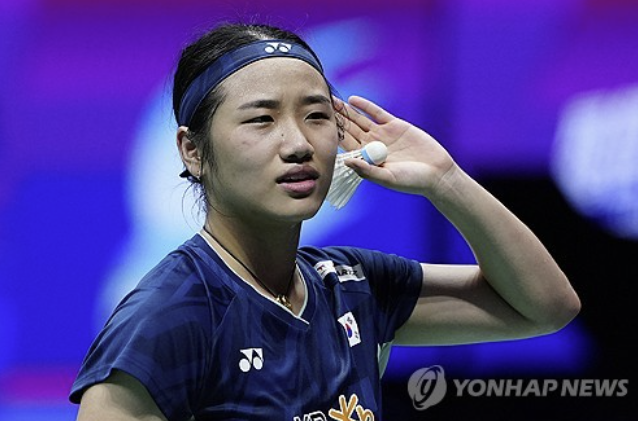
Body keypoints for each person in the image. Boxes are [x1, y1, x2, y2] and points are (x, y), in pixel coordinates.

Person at [69, 22, 580, 421]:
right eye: (261, 119)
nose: (298, 144)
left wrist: (445, 180)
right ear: (193, 150)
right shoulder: (165, 318)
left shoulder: (352, 287)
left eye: (316, 116)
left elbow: (545, 307)